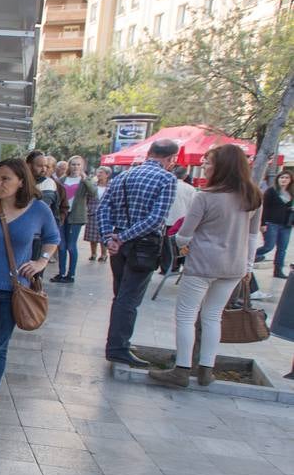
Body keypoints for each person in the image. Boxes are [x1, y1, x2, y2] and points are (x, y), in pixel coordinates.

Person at [149, 144, 262, 389]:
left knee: (186, 316)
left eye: (208, 162)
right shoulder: (253, 197)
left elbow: (183, 234)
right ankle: (206, 369)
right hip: (234, 266)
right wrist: (248, 266)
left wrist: (184, 248)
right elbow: (253, 237)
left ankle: (181, 369)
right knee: (213, 317)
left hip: (202, 264)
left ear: (222, 166)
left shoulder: (205, 197)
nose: (204, 166)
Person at [0, 159, 60, 429]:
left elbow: (53, 238)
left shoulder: (38, 209)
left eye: (5, 179)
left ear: (22, 181)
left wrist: (41, 262)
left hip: (15, 289)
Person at [96, 139, 180, 367]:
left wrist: (110, 238)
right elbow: (156, 219)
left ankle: (118, 343)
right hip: (142, 245)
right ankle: (118, 347)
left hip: (120, 244)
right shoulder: (167, 179)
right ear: (171, 159)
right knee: (129, 299)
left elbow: (103, 209)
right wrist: (121, 238)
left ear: (149, 153)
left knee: (121, 295)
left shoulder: (122, 176)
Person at [54, 156, 98, 283]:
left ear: (82, 166)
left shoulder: (85, 180)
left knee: (71, 246)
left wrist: (86, 179)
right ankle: (61, 273)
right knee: (61, 245)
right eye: (73, 164)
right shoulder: (63, 179)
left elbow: (94, 193)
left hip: (76, 217)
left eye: (78, 164)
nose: (75, 167)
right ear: (69, 165)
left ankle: (71, 274)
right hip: (62, 215)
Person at [254, 169, 294, 278]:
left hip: (286, 225)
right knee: (269, 246)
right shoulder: (271, 191)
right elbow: (264, 208)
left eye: (286, 178)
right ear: (278, 179)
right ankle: (252, 257)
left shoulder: (292, 193)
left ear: (290, 180)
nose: (284, 180)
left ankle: (278, 271)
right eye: (282, 177)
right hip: (271, 223)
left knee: (282, 249)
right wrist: (262, 223)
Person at [86, 166, 112, 262]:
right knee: (92, 236)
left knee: (103, 235)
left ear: (107, 175)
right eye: (98, 172)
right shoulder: (93, 185)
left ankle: (104, 254)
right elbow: (87, 197)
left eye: (101, 172)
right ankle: (93, 253)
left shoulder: (111, 186)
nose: (99, 174)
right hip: (92, 212)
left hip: (105, 213)